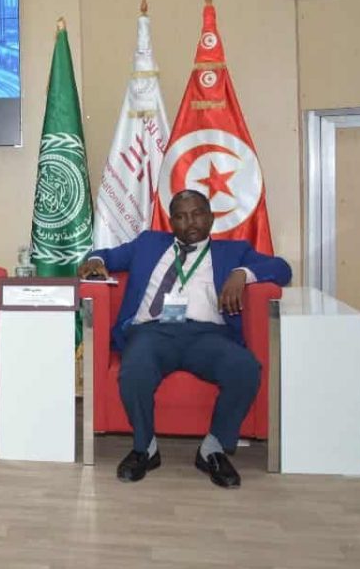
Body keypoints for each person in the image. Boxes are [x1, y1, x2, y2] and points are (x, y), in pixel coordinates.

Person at [79, 189, 291, 488]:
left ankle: (213, 449)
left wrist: (243, 273)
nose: (189, 222)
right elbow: (103, 256)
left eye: (197, 214)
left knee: (244, 368)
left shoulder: (233, 251)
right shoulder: (148, 244)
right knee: (134, 370)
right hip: (152, 331)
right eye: (180, 217)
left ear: (211, 218)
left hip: (207, 334)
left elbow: (282, 268)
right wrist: (95, 261)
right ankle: (145, 448)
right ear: (171, 223)